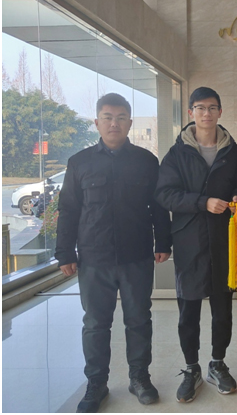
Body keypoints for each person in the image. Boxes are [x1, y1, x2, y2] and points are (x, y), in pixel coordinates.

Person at [55, 93, 172, 413]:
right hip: (94, 257)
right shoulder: (79, 162)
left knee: (139, 319)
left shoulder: (146, 161)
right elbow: (68, 210)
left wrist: (163, 242)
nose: (114, 124)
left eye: (120, 118)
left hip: (137, 255)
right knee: (95, 323)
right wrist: (65, 252)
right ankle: (96, 383)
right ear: (97, 122)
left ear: (130, 123)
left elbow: (158, 206)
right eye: (107, 117)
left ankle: (139, 378)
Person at [155, 87, 237, 403]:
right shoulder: (177, 154)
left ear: (220, 112)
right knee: (189, 309)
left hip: (224, 240)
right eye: (200, 108)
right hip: (189, 240)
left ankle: (217, 363)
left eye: (212, 108)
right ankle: (191, 368)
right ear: (191, 113)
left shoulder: (232, 151)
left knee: (222, 307)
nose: (206, 113)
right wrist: (202, 202)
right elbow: (165, 194)